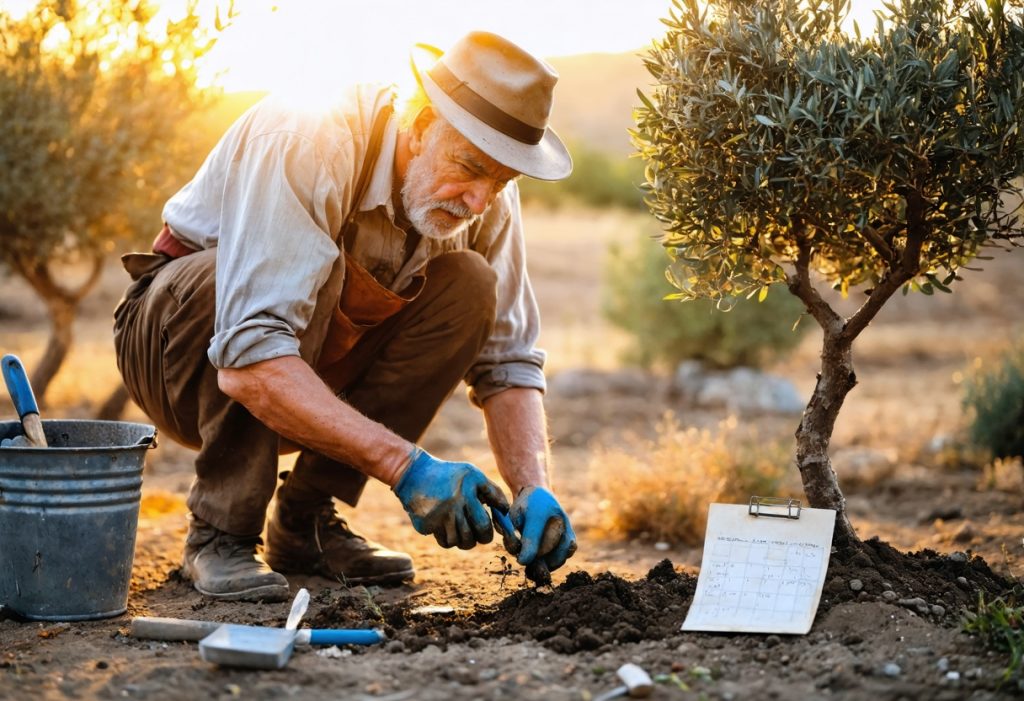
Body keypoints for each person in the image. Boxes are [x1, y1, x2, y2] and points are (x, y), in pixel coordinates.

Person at [113, 31, 577, 601]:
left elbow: (508, 360)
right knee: (290, 277)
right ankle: (219, 535)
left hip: (314, 355)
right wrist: (407, 467)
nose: (480, 199)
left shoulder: (484, 195)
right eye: (470, 166)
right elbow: (249, 353)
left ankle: (305, 522)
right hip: (176, 347)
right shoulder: (311, 134)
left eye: (501, 180)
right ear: (422, 122)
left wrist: (533, 485)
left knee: (472, 285)